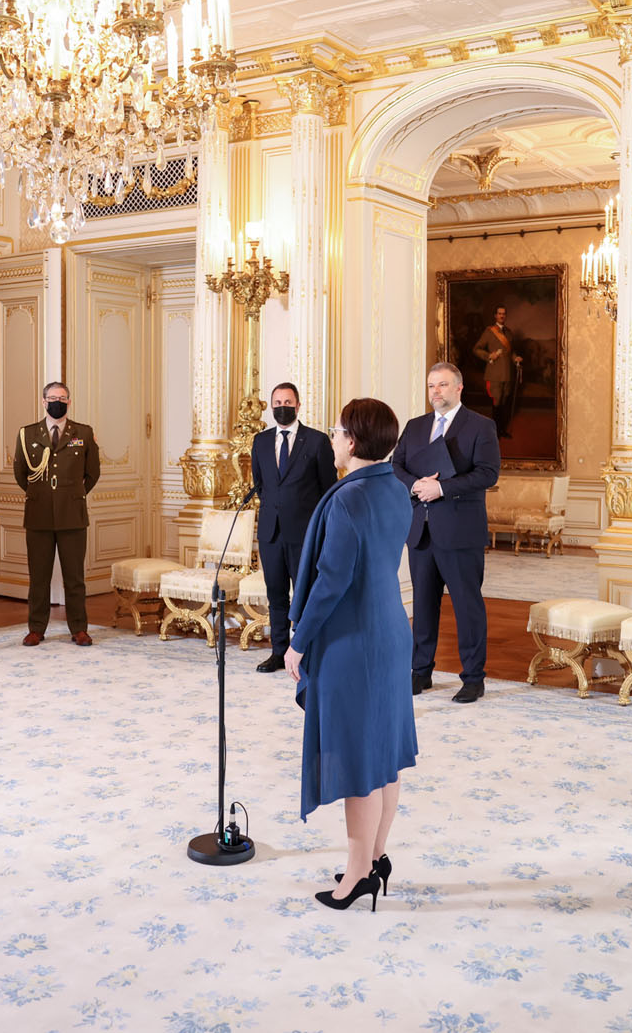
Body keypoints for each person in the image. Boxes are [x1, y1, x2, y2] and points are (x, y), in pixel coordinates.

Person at [282, 397, 416, 912]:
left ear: (353, 442)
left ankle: (358, 876)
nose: (332, 439)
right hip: (389, 631)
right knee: (382, 755)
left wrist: (297, 642)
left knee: (359, 760)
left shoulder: (348, 499)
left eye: (337, 432)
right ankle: (376, 858)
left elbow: (331, 581)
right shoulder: (396, 489)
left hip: (351, 641)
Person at [391, 362, 501, 703]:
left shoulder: (481, 426)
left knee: (467, 607)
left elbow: (488, 473)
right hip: (420, 532)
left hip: (460, 532)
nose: (435, 392)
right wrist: (416, 485)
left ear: (458, 388)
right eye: (430, 386)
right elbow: (396, 466)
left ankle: (472, 678)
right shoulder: (415, 426)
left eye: (442, 385)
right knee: (423, 606)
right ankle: (420, 672)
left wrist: (443, 489)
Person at [250, 382, 336, 673]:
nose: (282, 407)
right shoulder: (260, 441)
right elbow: (261, 484)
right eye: (277, 402)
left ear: (298, 406)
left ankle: (306, 651)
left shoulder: (317, 441)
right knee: (276, 594)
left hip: (305, 534)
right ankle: (278, 651)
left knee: (305, 594)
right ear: (271, 406)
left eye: (287, 401)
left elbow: (329, 489)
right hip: (271, 533)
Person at [15, 382, 100, 647]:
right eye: (52, 398)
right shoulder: (27, 434)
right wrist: (45, 495)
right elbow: (22, 475)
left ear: (69, 402)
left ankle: (79, 629)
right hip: (39, 514)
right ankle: (36, 629)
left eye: (62, 398)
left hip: (72, 515)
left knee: (74, 578)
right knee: (38, 577)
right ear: (43, 402)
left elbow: (92, 472)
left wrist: (71, 494)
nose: (57, 402)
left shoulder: (83, 433)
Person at [471, 306, 522, 438]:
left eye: (504, 314)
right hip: (494, 374)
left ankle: (502, 430)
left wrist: (515, 358)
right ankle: (495, 432)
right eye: (499, 314)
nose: (502, 316)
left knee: (504, 403)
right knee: (496, 403)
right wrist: (489, 356)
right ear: (495, 316)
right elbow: (476, 349)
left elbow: (510, 352)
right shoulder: (489, 331)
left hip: (507, 374)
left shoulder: (509, 332)